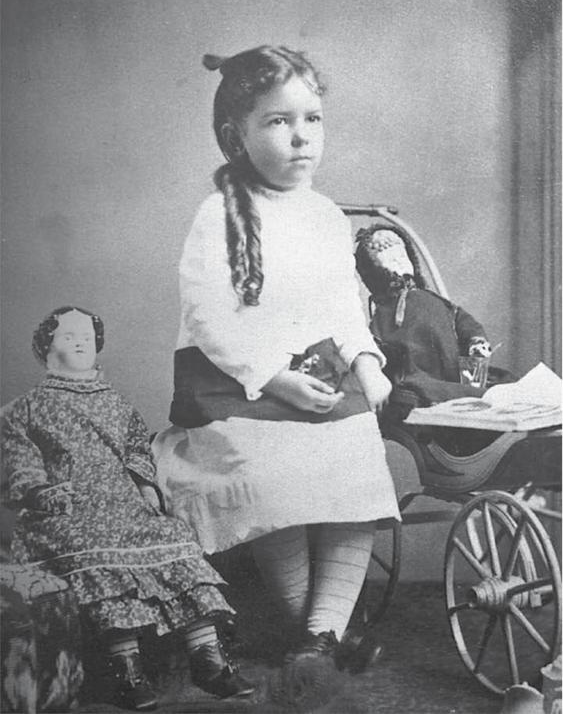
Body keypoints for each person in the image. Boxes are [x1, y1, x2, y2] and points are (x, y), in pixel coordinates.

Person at [152, 45, 400, 689]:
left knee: (354, 461)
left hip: (316, 373)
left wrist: (366, 362)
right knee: (272, 473)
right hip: (234, 381)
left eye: (312, 119)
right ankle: (311, 631)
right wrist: (272, 376)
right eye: (277, 122)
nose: (300, 137)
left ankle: (321, 636)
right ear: (236, 136)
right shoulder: (218, 216)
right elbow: (208, 317)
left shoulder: (322, 216)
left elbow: (344, 305)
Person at [1, 306, 254, 712]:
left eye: (86, 335)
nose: (81, 341)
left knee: (172, 536)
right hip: (65, 513)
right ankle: (127, 669)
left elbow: (137, 448)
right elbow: (19, 465)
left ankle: (208, 660)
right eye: (68, 336)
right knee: (97, 546)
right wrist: (42, 492)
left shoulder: (116, 403)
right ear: (45, 347)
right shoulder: (23, 410)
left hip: (123, 504)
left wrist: (145, 487)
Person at [354, 223, 497, 418]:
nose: (400, 264)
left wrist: (476, 340)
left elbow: (463, 321)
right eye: (391, 262)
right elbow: (374, 343)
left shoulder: (434, 300)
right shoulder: (385, 312)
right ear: (375, 273)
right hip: (417, 373)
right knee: (422, 389)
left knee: (499, 385)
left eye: (402, 257)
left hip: (456, 370)